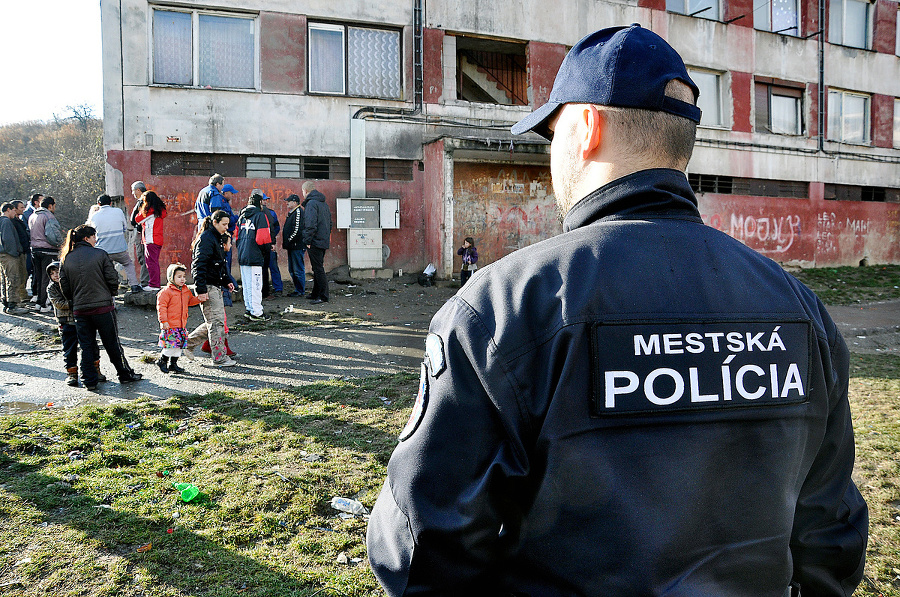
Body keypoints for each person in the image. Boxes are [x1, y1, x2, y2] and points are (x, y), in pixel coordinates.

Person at [366, 25, 868, 597]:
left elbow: (420, 552)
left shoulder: (503, 308)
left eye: (551, 133)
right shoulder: (799, 308)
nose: (550, 153)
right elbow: (832, 537)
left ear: (586, 126)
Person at [59, 225, 142, 390]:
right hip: (103, 307)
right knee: (112, 343)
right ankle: (124, 374)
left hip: (80, 310)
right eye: (93, 237)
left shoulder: (66, 258)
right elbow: (112, 278)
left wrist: (74, 299)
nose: (95, 240)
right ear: (86, 238)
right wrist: (111, 293)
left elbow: (64, 285)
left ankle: (89, 380)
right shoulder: (100, 254)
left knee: (86, 345)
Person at [184, 211, 237, 366]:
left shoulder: (216, 238)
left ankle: (188, 344)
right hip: (208, 286)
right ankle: (219, 358)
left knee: (215, 321)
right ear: (215, 222)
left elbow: (219, 264)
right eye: (224, 224)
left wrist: (227, 280)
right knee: (216, 322)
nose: (226, 227)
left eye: (227, 224)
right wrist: (200, 290)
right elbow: (198, 265)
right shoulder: (207, 238)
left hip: (214, 285)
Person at [47, 260, 104, 386]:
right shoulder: (52, 288)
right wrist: (77, 304)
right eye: (52, 273)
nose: (55, 275)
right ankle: (72, 373)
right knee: (69, 349)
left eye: (57, 272)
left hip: (83, 319)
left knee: (91, 346)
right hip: (66, 322)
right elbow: (59, 304)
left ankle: (96, 369)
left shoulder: (73, 283)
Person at [88, 194, 142, 293]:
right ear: (111, 203)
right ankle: (134, 285)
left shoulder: (94, 216)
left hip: (103, 251)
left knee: (104, 269)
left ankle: (106, 290)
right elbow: (125, 227)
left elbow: (93, 233)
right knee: (128, 264)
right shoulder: (118, 211)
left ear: (98, 204)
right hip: (119, 248)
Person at [155, 263, 201, 374]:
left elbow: (190, 302)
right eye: (179, 277)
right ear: (171, 277)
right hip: (170, 324)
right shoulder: (165, 292)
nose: (182, 279)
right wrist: (164, 321)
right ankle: (162, 360)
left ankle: (173, 364)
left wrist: (199, 299)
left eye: (184, 276)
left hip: (181, 324)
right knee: (171, 345)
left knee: (179, 346)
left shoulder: (185, 290)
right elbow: (161, 308)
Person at [236, 191, 272, 321]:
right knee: (256, 286)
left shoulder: (241, 216)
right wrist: (265, 251)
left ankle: (249, 309)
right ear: (259, 202)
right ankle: (257, 313)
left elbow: (237, 237)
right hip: (255, 255)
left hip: (242, 254)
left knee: (247, 285)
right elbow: (263, 239)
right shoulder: (260, 216)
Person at [28, 196, 64, 310]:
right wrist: (61, 244)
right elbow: (52, 235)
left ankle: (39, 302)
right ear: (50, 206)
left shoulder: (33, 215)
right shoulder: (48, 216)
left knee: (38, 277)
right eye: (54, 206)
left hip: (35, 249)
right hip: (47, 250)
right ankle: (44, 304)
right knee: (47, 278)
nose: (54, 208)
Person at [301, 181, 331, 304]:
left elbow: (310, 224)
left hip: (314, 241)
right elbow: (330, 223)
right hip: (322, 240)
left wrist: (307, 240)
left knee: (318, 268)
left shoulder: (311, 204)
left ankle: (323, 296)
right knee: (317, 267)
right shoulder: (323, 204)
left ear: (306, 191)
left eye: (302, 192)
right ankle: (315, 293)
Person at [134, 190, 167, 291]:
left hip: (150, 239)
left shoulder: (149, 211)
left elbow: (137, 219)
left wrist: (141, 208)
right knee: (154, 262)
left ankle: (154, 284)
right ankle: (155, 283)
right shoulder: (159, 210)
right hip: (157, 239)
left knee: (151, 263)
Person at [0, 202, 27, 314]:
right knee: (13, 279)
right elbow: (8, 240)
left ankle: (6, 302)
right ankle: (13, 306)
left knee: (5, 279)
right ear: (8, 210)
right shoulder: (6, 222)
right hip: (9, 255)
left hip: (4, 255)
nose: (15, 213)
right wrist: (15, 252)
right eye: (13, 210)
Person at [282, 194, 306, 296]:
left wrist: (289, 240)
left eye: (289, 201)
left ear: (295, 202)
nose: (287, 203)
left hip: (297, 245)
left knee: (297, 269)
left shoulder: (298, 212)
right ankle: (297, 289)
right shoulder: (292, 213)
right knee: (292, 269)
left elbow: (297, 230)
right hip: (292, 246)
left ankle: (300, 290)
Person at [10, 201, 32, 307]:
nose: (23, 209)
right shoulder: (12, 222)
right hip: (19, 251)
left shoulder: (18, 220)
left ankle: (23, 295)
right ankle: (19, 298)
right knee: (19, 275)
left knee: (24, 273)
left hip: (24, 250)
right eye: (21, 207)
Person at [130, 181, 151, 288]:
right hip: (145, 232)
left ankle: (145, 282)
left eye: (133, 191)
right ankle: (145, 281)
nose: (133, 193)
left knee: (143, 257)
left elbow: (133, 220)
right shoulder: (147, 200)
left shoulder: (142, 201)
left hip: (142, 233)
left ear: (138, 190)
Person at [261, 193, 283, 298]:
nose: (265, 202)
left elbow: (276, 228)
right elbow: (276, 228)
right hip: (267, 244)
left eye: (266, 200)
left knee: (272, 267)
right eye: (264, 200)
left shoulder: (271, 213)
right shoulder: (270, 213)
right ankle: (274, 288)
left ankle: (277, 288)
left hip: (267, 244)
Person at [23, 193, 42, 296]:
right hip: (32, 246)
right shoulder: (28, 214)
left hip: (35, 245)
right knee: (28, 270)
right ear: (36, 202)